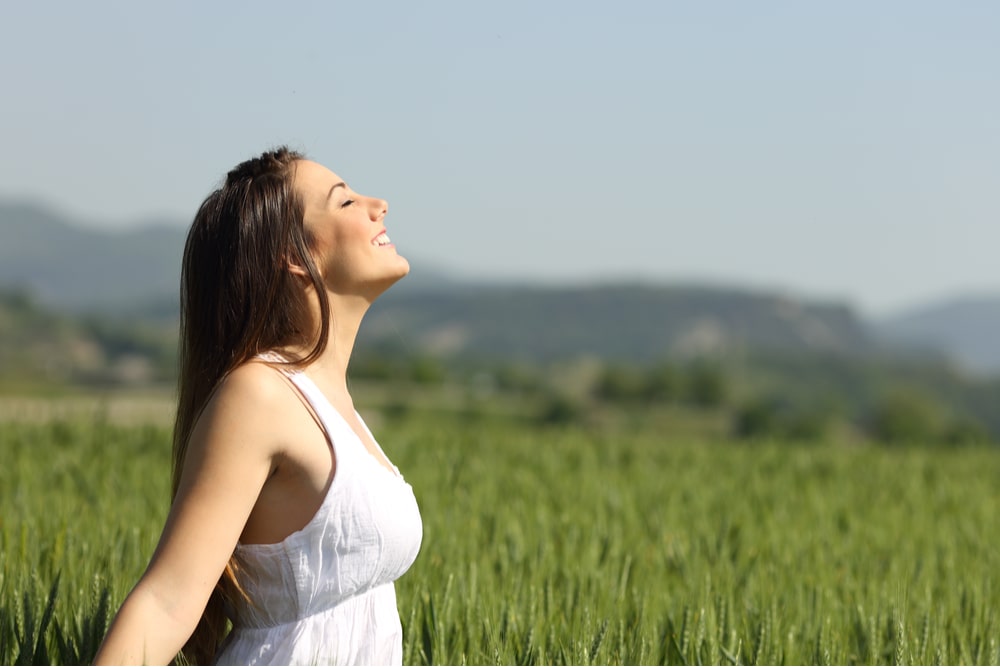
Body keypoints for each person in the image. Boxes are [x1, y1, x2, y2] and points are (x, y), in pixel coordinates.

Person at [94, 147, 423, 665]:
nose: (378, 204)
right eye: (346, 202)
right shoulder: (259, 394)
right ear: (296, 256)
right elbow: (165, 601)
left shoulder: (333, 404)